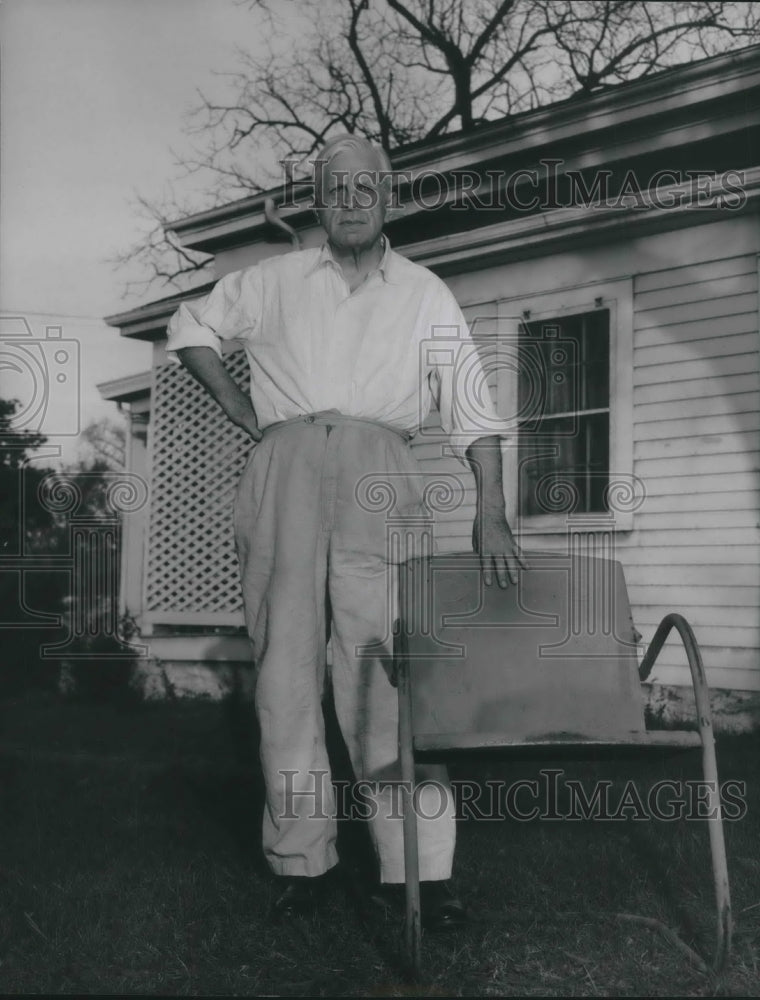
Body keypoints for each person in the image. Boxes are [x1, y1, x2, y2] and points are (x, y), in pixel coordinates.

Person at [165, 134, 525, 928]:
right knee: (286, 678)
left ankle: (419, 872)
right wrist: (242, 410)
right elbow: (189, 328)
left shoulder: (426, 293)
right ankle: (305, 859)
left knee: (389, 673)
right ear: (318, 200)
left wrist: (490, 507)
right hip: (284, 468)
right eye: (337, 189)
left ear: (387, 198)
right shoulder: (273, 280)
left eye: (368, 188)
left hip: (380, 471)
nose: (353, 201)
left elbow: (473, 406)